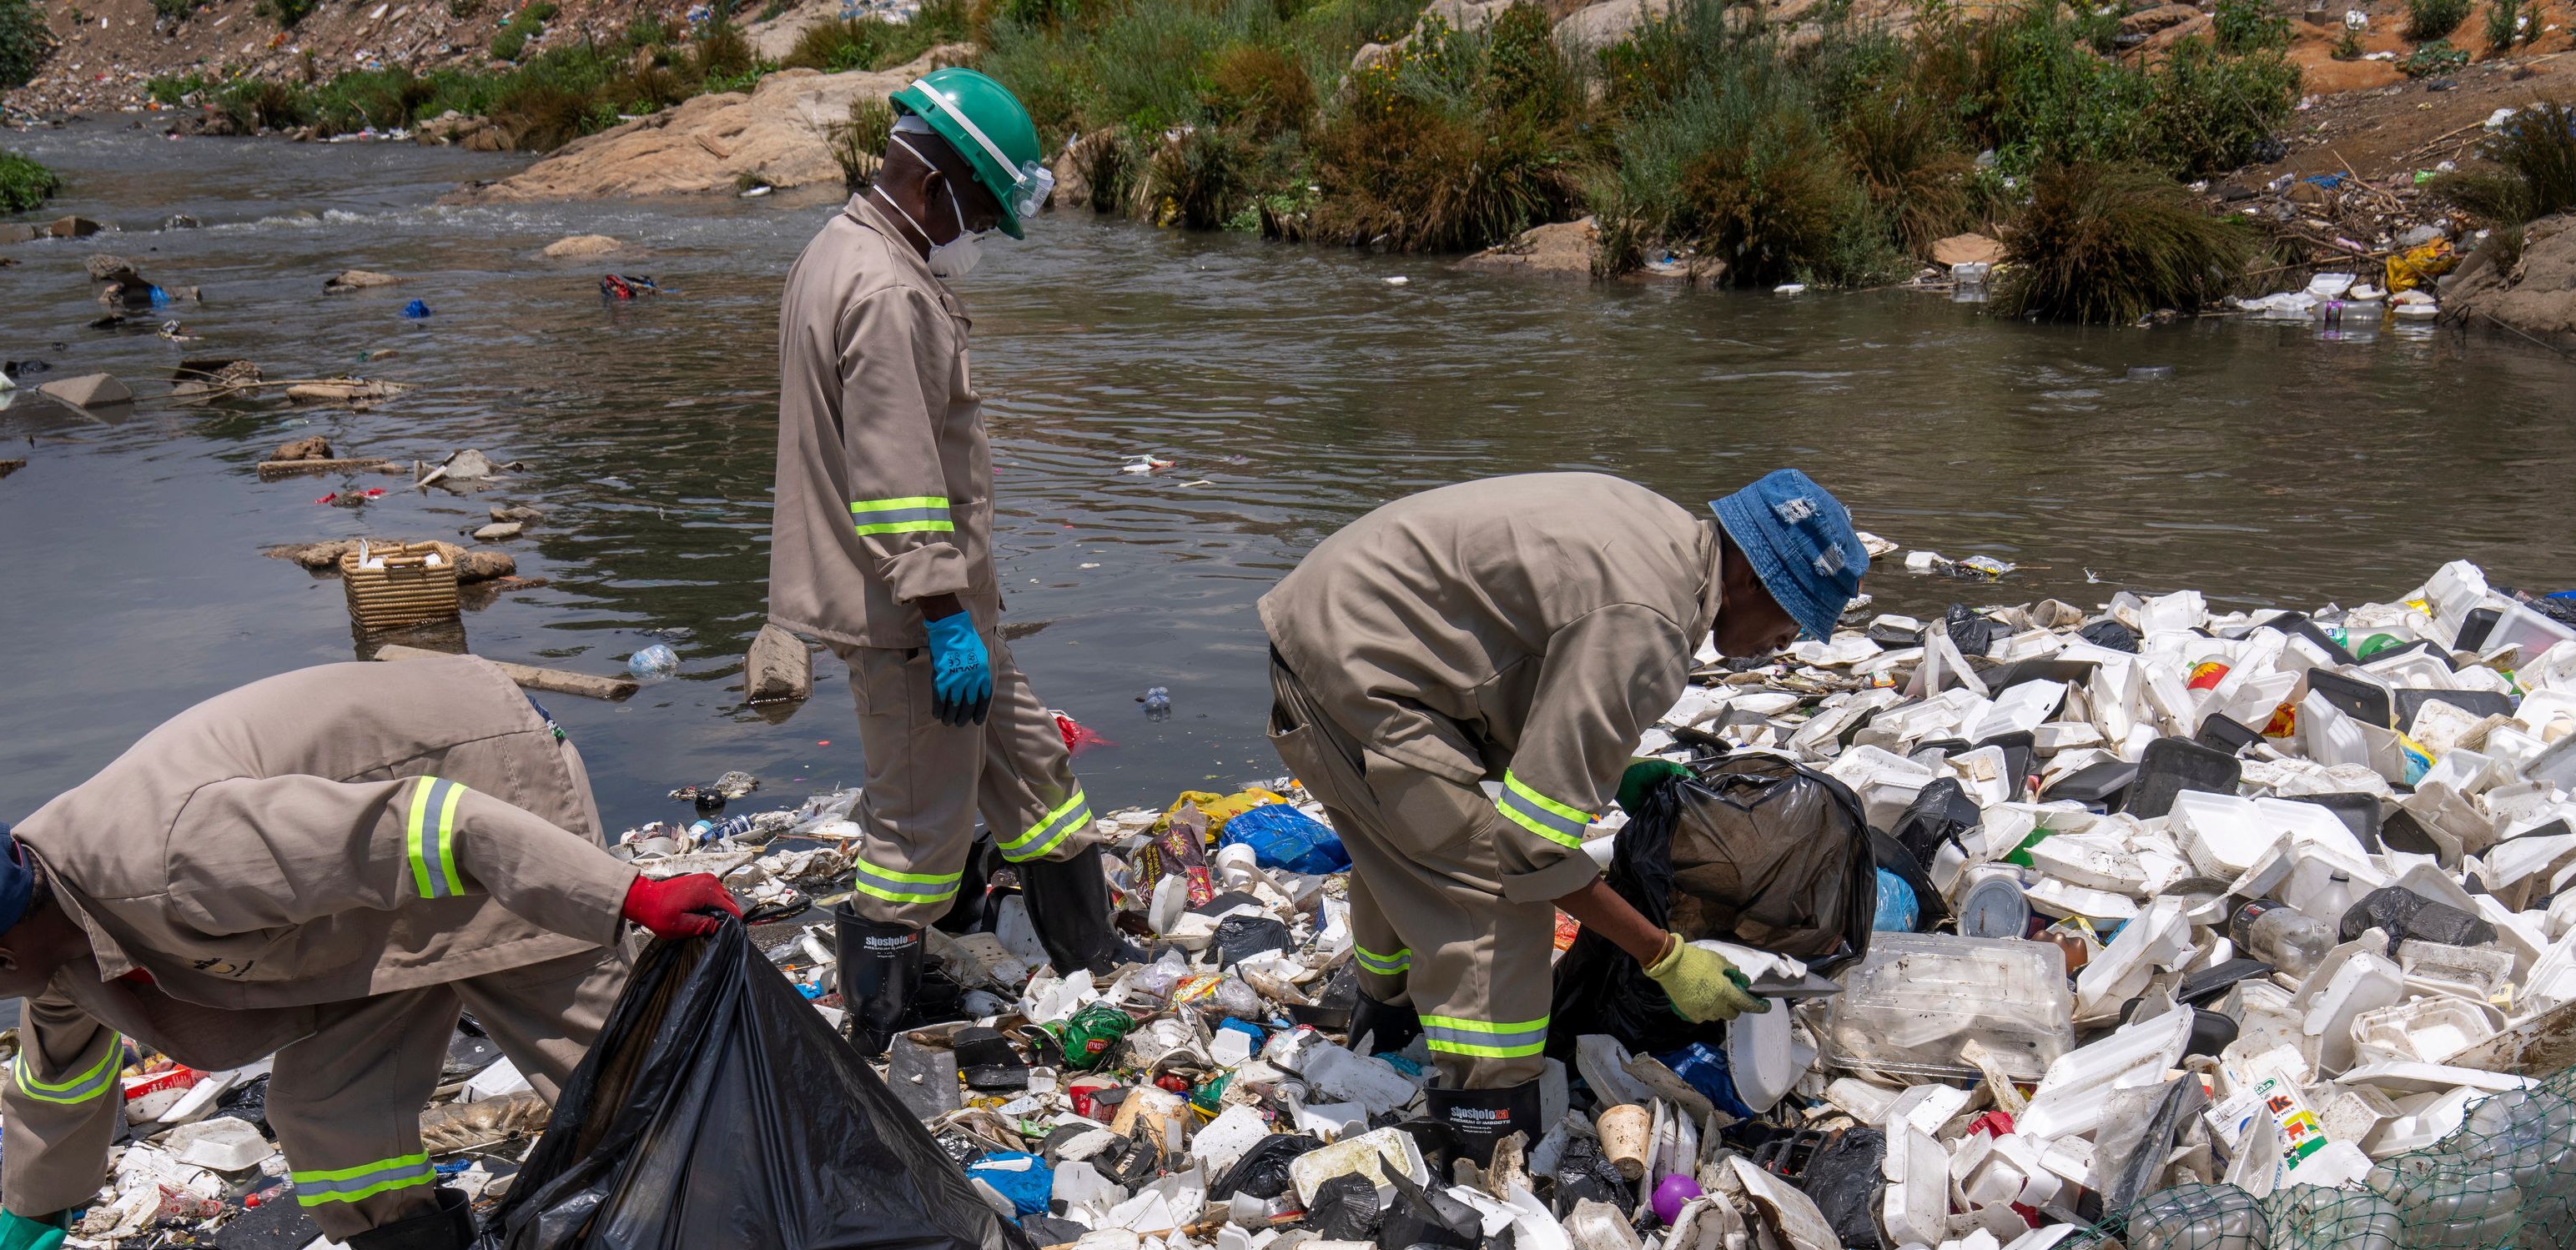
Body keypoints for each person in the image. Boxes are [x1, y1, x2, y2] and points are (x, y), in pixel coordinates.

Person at [0, 657, 741, 1250]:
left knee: (618, 1073)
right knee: (323, 1116)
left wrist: (627, 895)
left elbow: (435, 824)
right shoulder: (55, 940)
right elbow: (56, 1087)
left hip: (473, 772)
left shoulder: (181, 856)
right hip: (344, 906)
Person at [1257, 469, 1868, 1162]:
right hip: (1355, 674)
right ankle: (1488, 1119)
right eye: (1793, 622)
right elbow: (1529, 851)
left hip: (1347, 624)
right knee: (1491, 896)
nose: (1784, 646)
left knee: (1406, 841)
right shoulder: (1651, 623)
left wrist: (1615, 777)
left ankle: (1386, 1019)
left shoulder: (1665, 538)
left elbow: (1529, 670)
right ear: (1755, 581)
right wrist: (1663, 956)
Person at [766, 65, 1121, 1054]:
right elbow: (897, 477)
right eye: (983, 210)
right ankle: (883, 1026)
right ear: (937, 183)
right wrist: (940, 612)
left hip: (953, 614)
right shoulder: (885, 290)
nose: (985, 236)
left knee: (1037, 780)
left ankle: (1093, 960)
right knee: (917, 832)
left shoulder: (851, 254)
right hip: (913, 619)